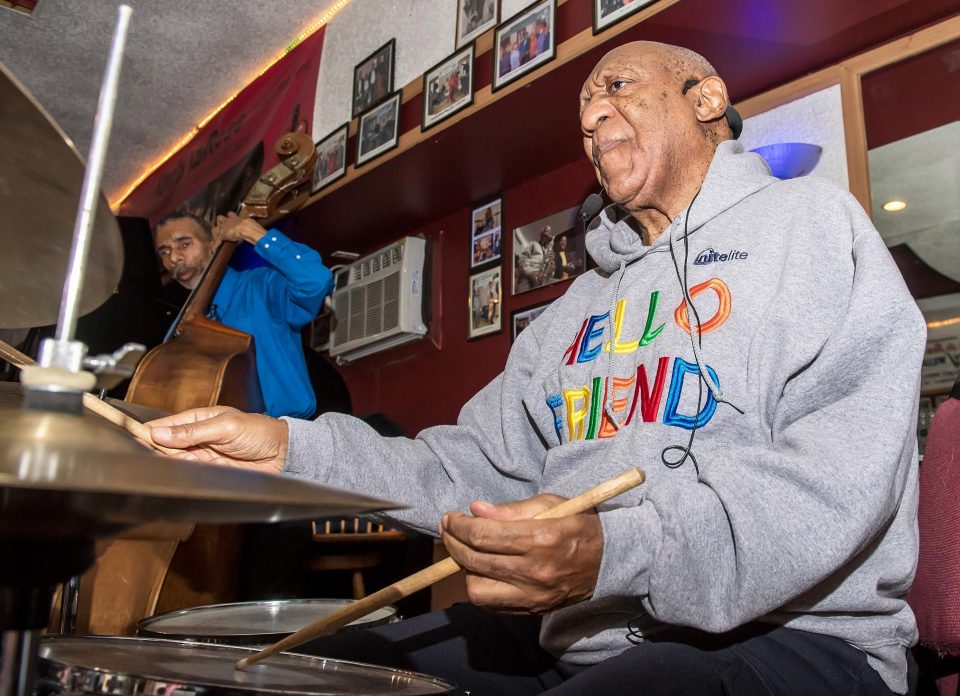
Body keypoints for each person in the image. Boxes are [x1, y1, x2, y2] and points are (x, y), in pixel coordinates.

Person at [149, 41, 925, 696]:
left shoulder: (812, 226)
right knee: (322, 676)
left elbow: (836, 479)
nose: (589, 117)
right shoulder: (571, 312)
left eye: (616, 87)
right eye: (584, 106)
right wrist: (290, 447)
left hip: (800, 638)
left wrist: (613, 555)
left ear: (706, 98)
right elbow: (469, 468)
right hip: (585, 633)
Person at [153, 211, 333, 418]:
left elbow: (316, 280)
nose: (174, 258)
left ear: (213, 242)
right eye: (165, 252)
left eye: (184, 244)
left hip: (285, 433)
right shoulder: (184, 323)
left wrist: (251, 231)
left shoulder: (261, 285)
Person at [518, 225, 554, 290]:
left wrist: (551, 267)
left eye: (548, 235)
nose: (546, 237)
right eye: (545, 233)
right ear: (541, 234)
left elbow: (550, 271)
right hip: (528, 278)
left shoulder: (547, 250)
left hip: (541, 279)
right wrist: (530, 273)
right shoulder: (533, 244)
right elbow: (522, 260)